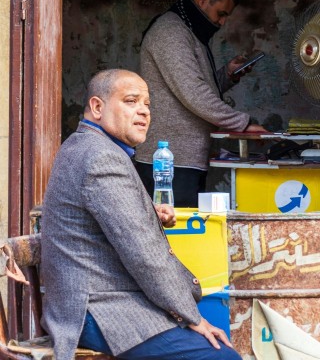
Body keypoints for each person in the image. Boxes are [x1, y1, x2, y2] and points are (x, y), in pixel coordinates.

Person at [41, 69, 241, 360]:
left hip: (97, 302)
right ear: (97, 107)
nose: (143, 112)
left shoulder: (83, 145)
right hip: (99, 309)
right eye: (131, 101)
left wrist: (147, 212)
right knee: (221, 357)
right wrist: (193, 318)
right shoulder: (101, 158)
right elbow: (143, 254)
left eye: (147, 104)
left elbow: (110, 218)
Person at [136, 0, 263, 206]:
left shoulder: (189, 31)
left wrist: (226, 75)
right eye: (221, 13)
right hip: (169, 163)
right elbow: (193, 93)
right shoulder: (170, 32)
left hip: (184, 159)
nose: (222, 22)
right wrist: (242, 123)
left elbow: (193, 87)